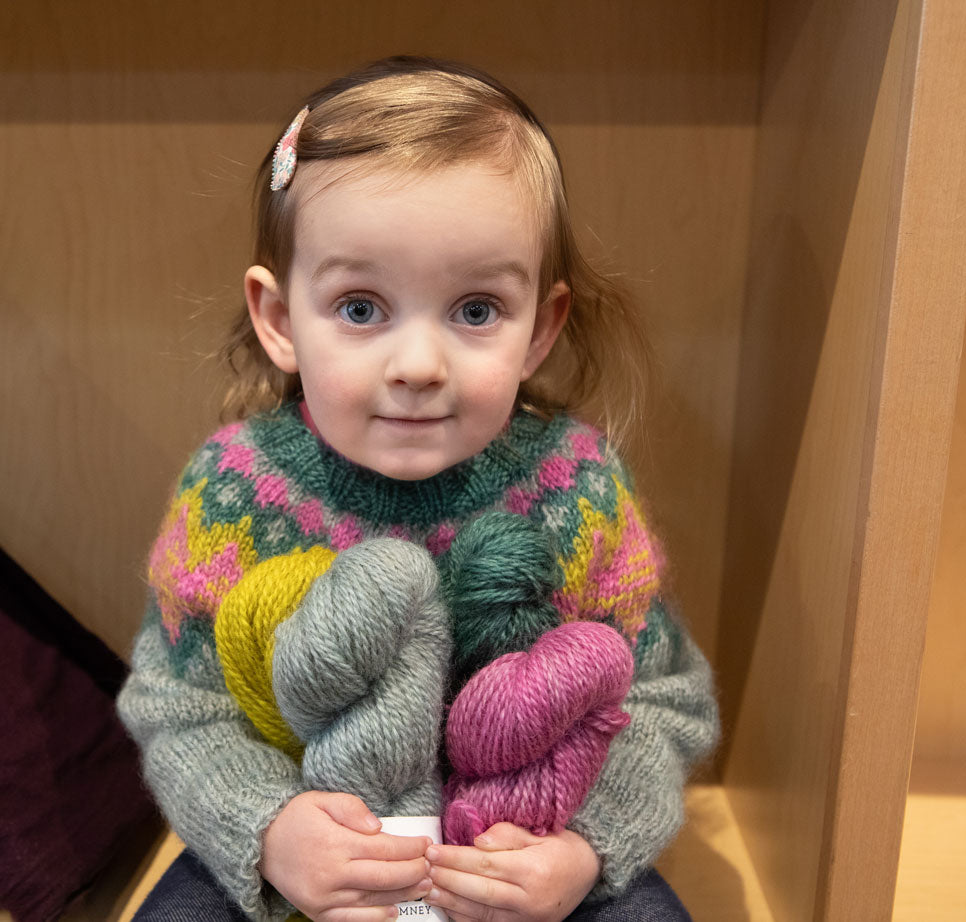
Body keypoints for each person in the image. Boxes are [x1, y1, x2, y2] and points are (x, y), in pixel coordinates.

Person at [116, 56, 719, 922]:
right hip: (312, 873)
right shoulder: (231, 494)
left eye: (476, 310)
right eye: (361, 308)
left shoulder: (576, 488)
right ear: (281, 319)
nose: (419, 367)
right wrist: (272, 830)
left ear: (541, 329)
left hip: (520, 866)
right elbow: (180, 709)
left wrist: (581, 849)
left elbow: (663, 702)